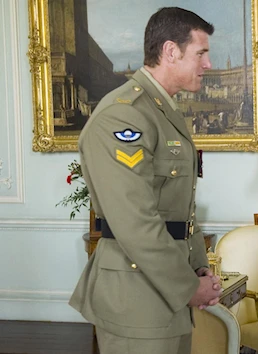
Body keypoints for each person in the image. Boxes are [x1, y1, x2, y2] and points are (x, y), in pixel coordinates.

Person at [69, 7, 222, 354]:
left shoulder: (160, 110)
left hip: (165, 296)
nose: (208, 64)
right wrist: (187, 286)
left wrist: (198, 266)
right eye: (201, 53)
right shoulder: (125, 114)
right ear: (171, 51)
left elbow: (181, 208)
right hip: (137, 301)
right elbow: (134, 222)